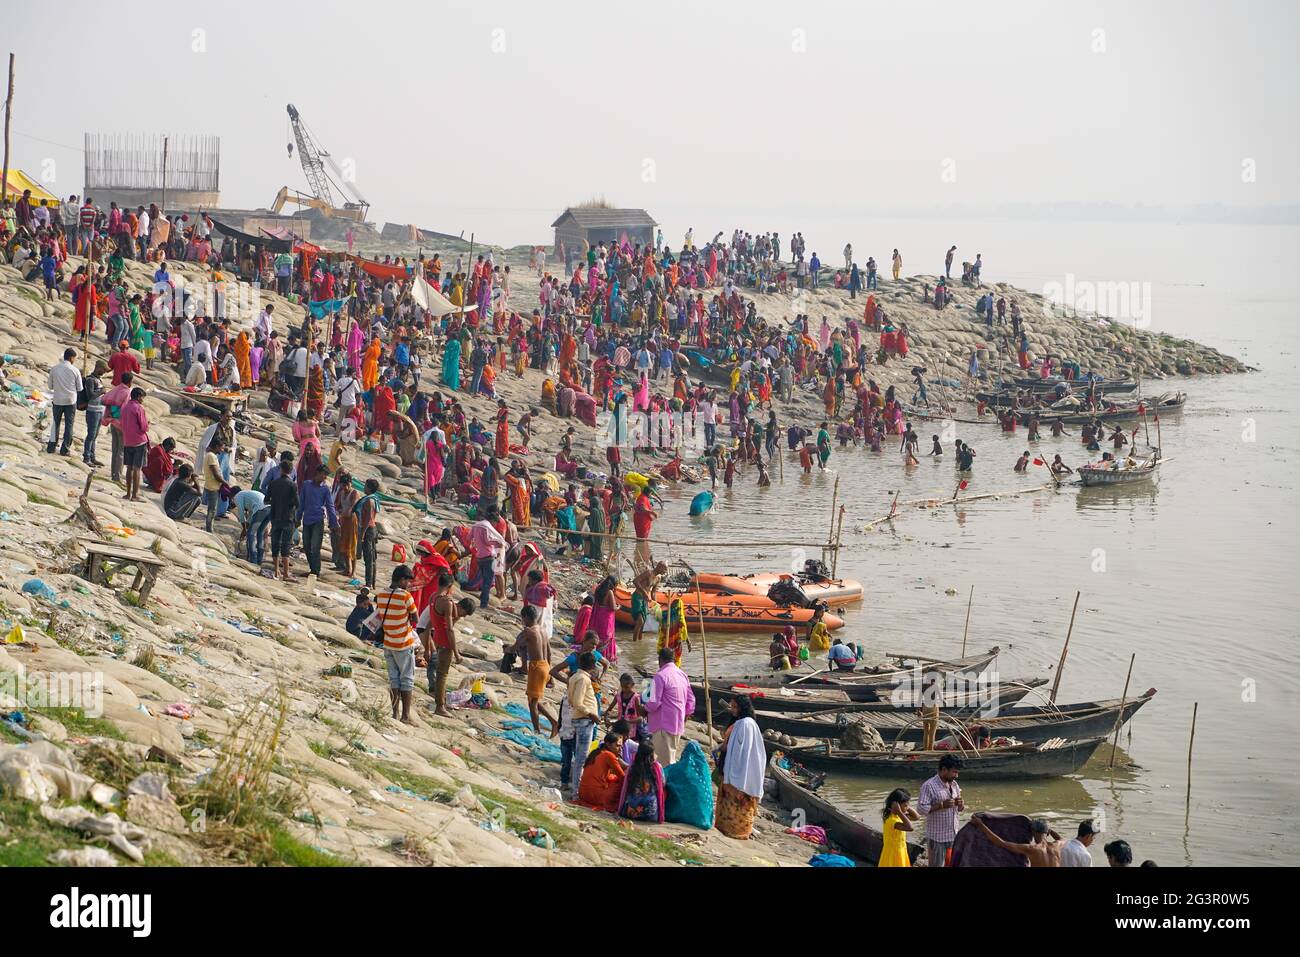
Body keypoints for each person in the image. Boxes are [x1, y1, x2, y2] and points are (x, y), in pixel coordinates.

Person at [714, 695, 766, 840]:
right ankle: (726, 829)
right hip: (730, 768)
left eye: (735, 707)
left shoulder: (746, 724)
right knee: (728, 804)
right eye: (732, 706)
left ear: (743, 708)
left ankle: (738, 832)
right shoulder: (741, 722)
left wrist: (734, 772)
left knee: (738, 806)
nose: (732, 710)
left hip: (739, 771)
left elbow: (742, 752)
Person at [375, 565, 420, 726]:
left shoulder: (380, 594)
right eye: (408, 581)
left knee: (394, 679)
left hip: (388, 642)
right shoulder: (406, 596)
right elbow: (415, 618)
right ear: (402, 580)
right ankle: (406, 715)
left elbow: (380, 615)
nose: (408, 584)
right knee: (407, 679)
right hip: (403, 643)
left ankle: (395, 713)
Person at [645, 646, 695, 766]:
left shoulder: (660, 676)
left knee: (662, 764)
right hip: (677, 724)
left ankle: (663, 784)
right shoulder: (682, 674)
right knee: (670, 758)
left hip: (663, 725)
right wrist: (685, 717)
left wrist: (643, 708)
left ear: (660, 660)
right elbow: (691, 701)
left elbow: (653, 703)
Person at [917, 754, 964, 867]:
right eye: (954, 772)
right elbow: (921, 809)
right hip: (937, 837)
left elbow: (960, 809)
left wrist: (961, 804)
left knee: (952, 864)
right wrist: (941, 805)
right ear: (943, 769)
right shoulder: (929, 786)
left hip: (953, 834)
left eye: (957, 772)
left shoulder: (954, 784)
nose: (956, 775)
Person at [566, 652, 602, 800]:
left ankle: (577, 789)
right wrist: (591, 714)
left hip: (582, 720)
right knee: (581, 757)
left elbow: (571, 699)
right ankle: (576, 793)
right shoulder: (582, 679)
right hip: (584, 721)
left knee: (581, 756)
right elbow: (577, 702)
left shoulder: (575, 676)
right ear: (592, 666)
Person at [518, 604, 558, 735]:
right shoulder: (543, 631)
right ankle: (552, 722)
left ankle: (538, 730)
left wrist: (507, 650)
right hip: (545, 665)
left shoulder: (529, 631)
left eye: (522, 618)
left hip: (536, 667)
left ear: (526, 617)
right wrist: (550, 672)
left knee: (532, 703)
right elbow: (550, 653)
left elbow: (516, 646)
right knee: (533, 699)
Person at [971, 813, 1064, 867]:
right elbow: (1061, 838)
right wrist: (1049, 829)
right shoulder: (1057, 846)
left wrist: (981, 825)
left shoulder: (1031, 849)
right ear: (1047, 833)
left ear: (1032, 832)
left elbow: (1001, 843)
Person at [300, 463, 339, 577]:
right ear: (317, 473)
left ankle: (315, 571)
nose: (324, 478)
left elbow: (330, 506)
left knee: (315, 547)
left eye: (326, 476)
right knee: (307, 546)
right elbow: (301, 502)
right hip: (307, 519)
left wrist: (333, 523)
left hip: (318, 520)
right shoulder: (306, 485)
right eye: (324, 475)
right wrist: (297, 517)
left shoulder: (325, 489)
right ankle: (312, 568)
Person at [266, 460, 300, 581]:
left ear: (280, 469)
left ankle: (276, 571)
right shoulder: (292, 485)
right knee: (286, 546)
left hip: (275, 518)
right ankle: (286, 573)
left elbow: (266, 500)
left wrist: (275, 502)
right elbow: (297, 503)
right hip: (288, 518)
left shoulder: (273, 483)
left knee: (275, 544)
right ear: (291, 471)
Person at [576, 732, 626, 813]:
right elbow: (622, 777)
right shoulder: (609, 755)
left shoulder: (595, 752)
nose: (620, 749)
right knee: (620, 782)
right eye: (617, 745)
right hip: (594, 796)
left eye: (621, 746)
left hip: (582, 794)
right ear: (608, 745)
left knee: (612, 778)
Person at [46, 348, 82, 456]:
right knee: (69, 425)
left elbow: (50, 386)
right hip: (70, 401)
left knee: (55, 424)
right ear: (71, 358)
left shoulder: (55, 369)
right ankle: (65, 449)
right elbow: (80, 388)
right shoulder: (75, 370)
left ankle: (51, 447)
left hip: (57, 400)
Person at [120, 387, 150, 503]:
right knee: (137, 468)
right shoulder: (139, 408)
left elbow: (122, 422)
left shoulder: (125, 407)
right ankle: (135, 495)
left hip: (127, 440)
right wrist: (147, 424)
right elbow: (143, 427)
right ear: (138, 397)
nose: (143, 400)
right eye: (142, 397)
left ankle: (128, 493)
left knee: (129, 468)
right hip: (139, 441)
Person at [880, 788, 920, 867]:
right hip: (892, 854)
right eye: (905, 805)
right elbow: (910, 828)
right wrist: (899, 811)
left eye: (908, 805)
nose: (907, 807)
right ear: (896, 806)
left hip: (901, 851)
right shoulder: (891, 820)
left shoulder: (899, 816)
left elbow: (917, 817)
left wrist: (906, 808)